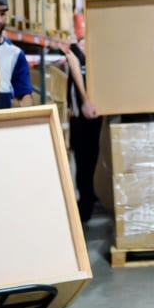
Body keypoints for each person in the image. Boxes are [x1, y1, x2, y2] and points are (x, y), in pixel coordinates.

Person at [64, 33, 101, 222]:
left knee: (92, 157)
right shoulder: (75, 52)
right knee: (83, 160)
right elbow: (75, 70)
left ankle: (90, 197)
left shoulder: (97, 51)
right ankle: (84, 208)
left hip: (96, 116)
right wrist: (85, 100)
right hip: (80, 116)